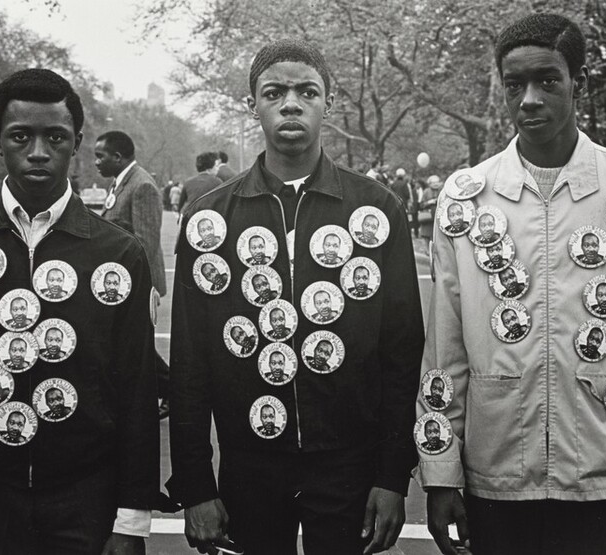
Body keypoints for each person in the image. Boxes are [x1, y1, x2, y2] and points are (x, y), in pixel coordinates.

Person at [421, 14, 606, 555]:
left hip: (603, 473)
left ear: (578, 84)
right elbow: (443, 348)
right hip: (495, 471)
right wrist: (441, 470)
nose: (530, 99)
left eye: (548, 80)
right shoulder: (466, 198)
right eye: (514, 84)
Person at [0, 68, 170, 555]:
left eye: (56, 137)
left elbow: (135, 392)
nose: (39, 152)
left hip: (87, 496)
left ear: (77, 142)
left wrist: (131, 521)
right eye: (22, 136)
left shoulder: (119, 254)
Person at [170, 39, 423, 555]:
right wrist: (195, 484)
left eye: (307, 91)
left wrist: (393, 475)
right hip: (249, 465)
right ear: (253, 105)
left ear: (329, 102)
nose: (291, 103)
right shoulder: (209, 219)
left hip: (350, 464)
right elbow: (190, 362)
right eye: (274, 92)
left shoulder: (377, 210)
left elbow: (401, 353)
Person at [96, 130, 168, 303]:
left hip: (136, 285)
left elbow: (146, 245)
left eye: (100, 156)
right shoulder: (120, 182)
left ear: (117, 157)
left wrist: (136, 289)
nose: (96, 162)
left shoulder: (142, 185)